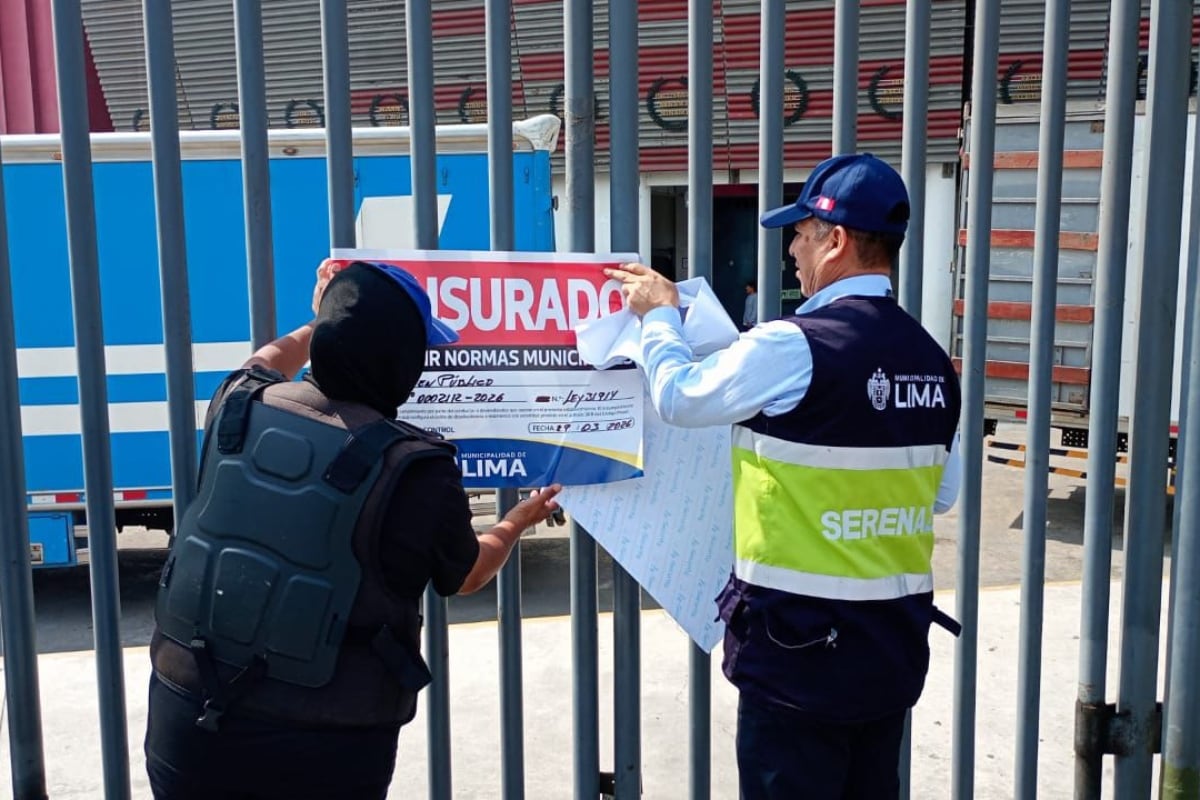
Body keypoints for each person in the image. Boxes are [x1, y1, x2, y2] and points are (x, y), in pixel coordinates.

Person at [605, 153, 962, 800]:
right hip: (889, 656)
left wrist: (659, 315)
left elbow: (681, 398)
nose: (792, 249)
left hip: (797, 660)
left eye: (800, 233)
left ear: (837, 241)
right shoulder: (933, 361)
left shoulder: (793, 344)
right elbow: (942, 493)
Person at [144, 260, 562, 800]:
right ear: (401, 358)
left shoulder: (237, 401)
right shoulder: (415, 467)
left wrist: (320, 317)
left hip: (188, 717)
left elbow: (270, 358)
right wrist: (517, 520)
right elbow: (467, 574)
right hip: (324, 742)